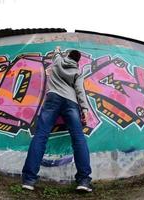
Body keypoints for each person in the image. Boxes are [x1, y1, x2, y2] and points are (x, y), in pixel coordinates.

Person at [21, 46, 92, 192]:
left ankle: (29, 180)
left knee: (40, 136)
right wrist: (84, 109)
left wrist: (58, 50)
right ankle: (84, 181)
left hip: (52, 99)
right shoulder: (78, 71)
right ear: (77, 60)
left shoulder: (58, 61)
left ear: (68, 56)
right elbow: (80, 90)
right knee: (78, 139)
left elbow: (56, 54)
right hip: (71, 102)